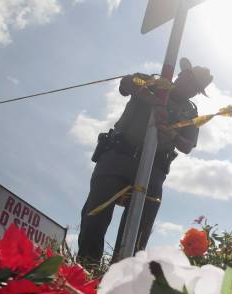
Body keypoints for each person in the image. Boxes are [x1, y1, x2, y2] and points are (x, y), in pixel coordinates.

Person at [77, 58, 213, 269]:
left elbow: (188, 145)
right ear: (181, 76)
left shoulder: (190, 112)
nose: (192, 91)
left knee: (139, 229)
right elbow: (127, 83)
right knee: (95, 216)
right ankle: (86, 268)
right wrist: (155, 100)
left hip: (153, 170)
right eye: (191, 83)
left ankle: (120, 275)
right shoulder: (151, 82)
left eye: (197, 89)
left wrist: (172, 133)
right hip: (118, 157)